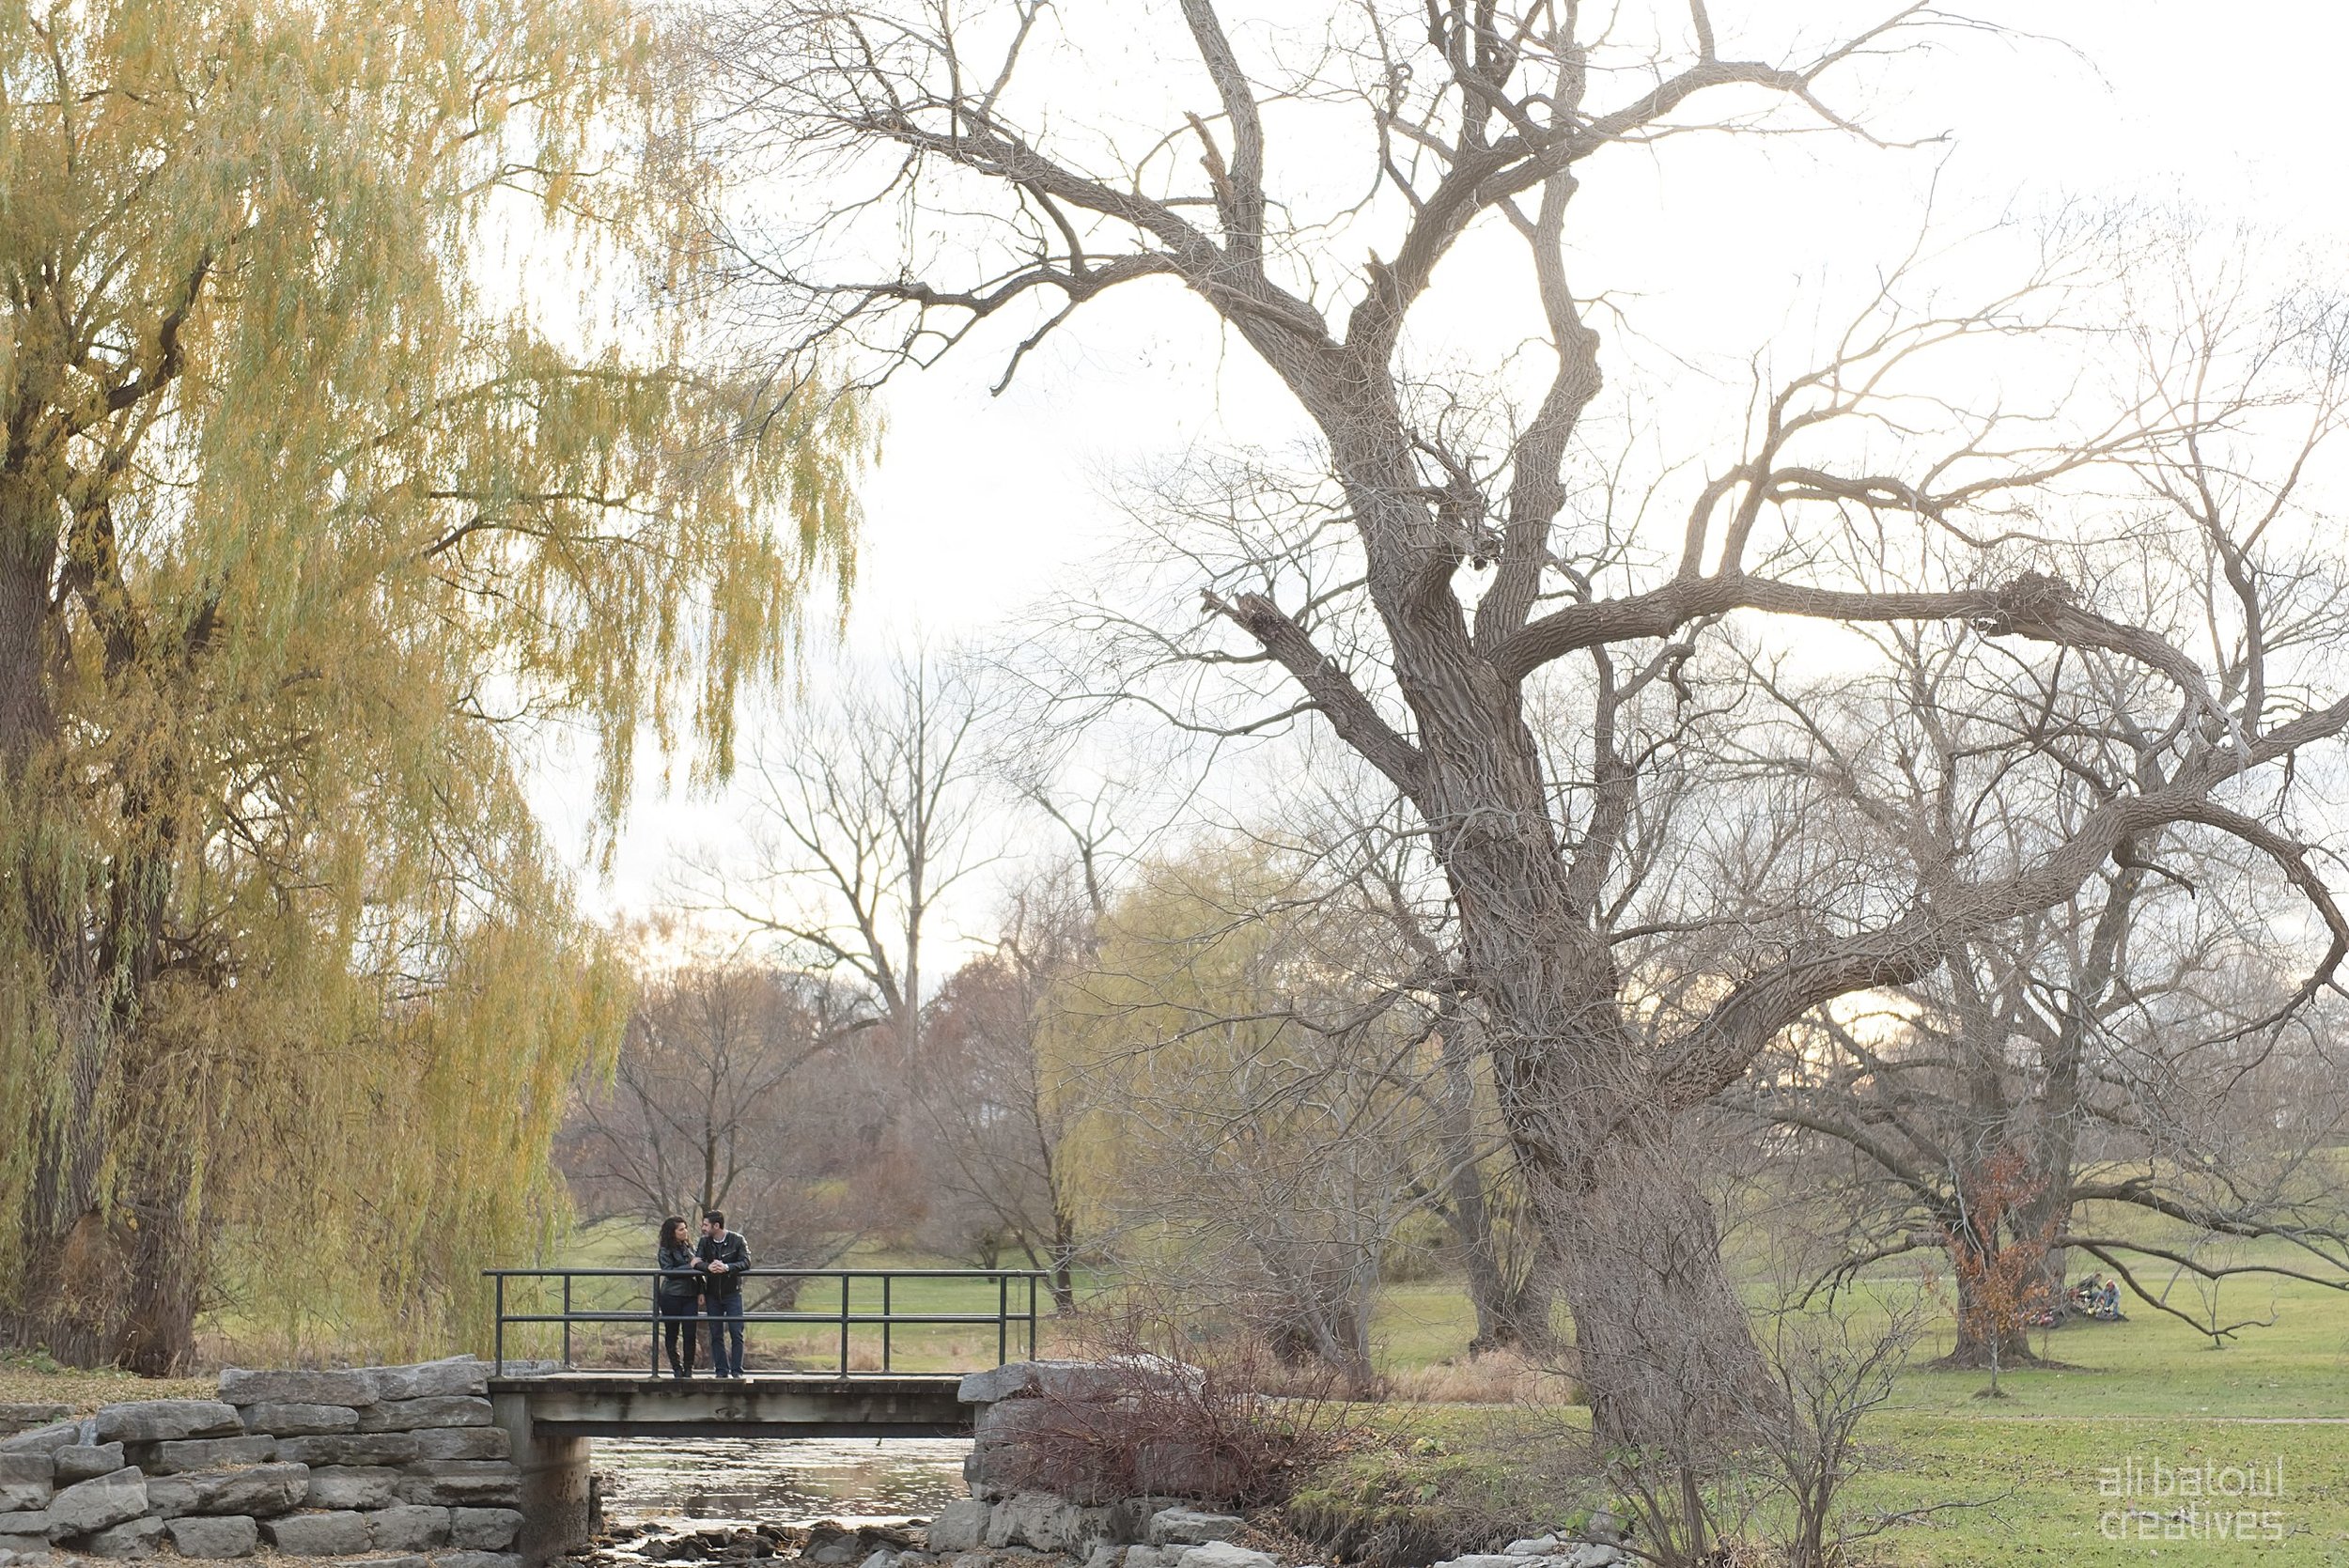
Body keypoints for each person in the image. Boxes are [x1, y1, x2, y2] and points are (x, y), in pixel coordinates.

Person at [697, 1210, 753, 1378]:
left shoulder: (737, 1240)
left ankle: (737, 1371)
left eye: (706, 1225)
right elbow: (696, 1261)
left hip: (732, 1293)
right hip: (712, 1294)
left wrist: (727, 1267)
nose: (703, 1228)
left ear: (716, 1226)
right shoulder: (704, 1242)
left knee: (736, 1332)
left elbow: (746, 1262)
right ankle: (721, 1371)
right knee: (716, 1333)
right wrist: (708, 1267)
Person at [655, 1217, 702, 1378]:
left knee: (690, 1333)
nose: (685, 1231)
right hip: (671, 1295)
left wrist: (701, 1291)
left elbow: (699, 1271)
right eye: (681, 1229)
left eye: (685, 1228)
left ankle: (688, 1368)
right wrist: (690, 1265)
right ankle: (676, 1367)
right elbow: (669, 1272)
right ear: (672, 1232)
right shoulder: (665, 1250)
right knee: (672, 1332)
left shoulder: (689, 1247)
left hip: (690, 1295)